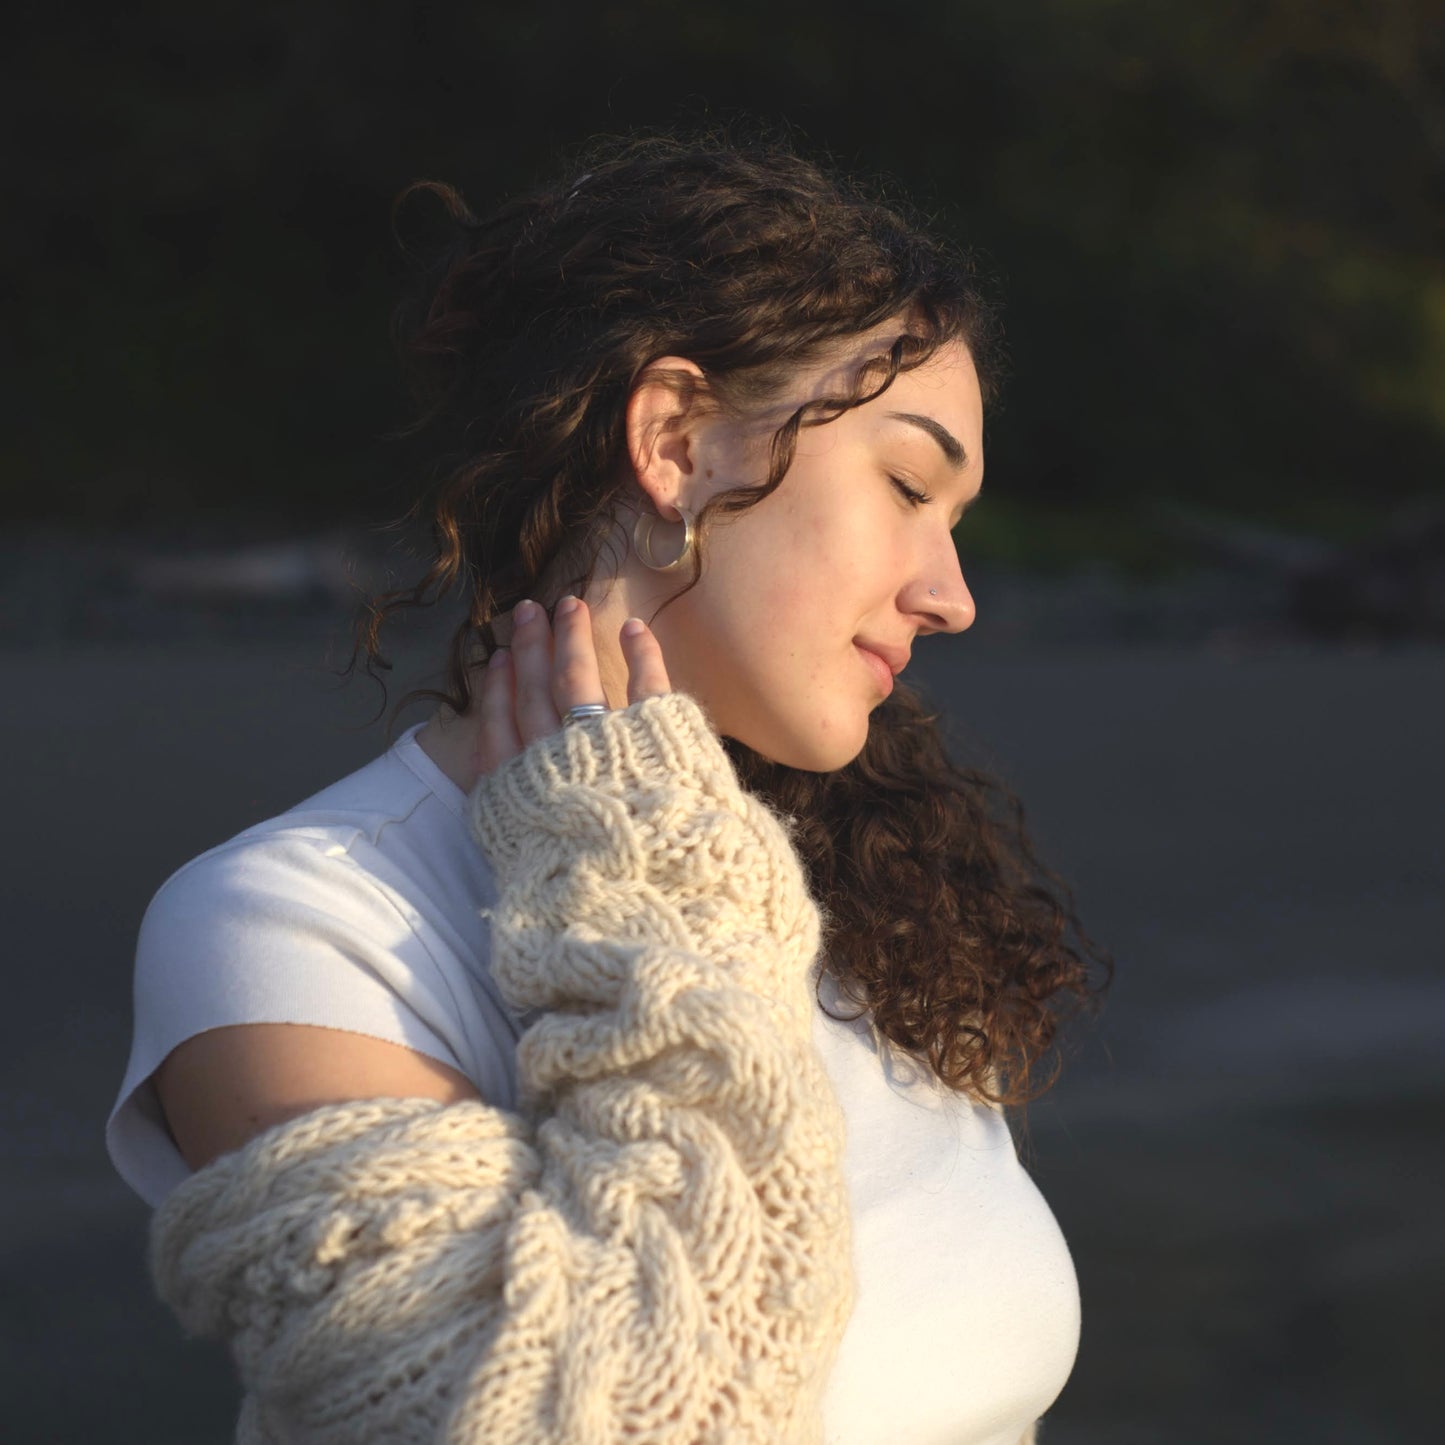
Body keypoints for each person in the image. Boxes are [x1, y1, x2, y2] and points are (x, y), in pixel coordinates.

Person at [107, 132, 1108, 1444]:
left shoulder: (860, 893)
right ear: (676, 438)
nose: (952, 593)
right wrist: (631, 874)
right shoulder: (295, 930)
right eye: (907, 484)